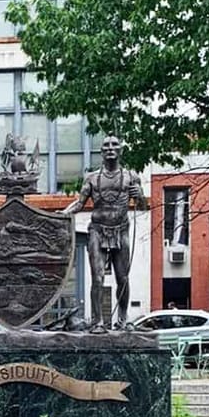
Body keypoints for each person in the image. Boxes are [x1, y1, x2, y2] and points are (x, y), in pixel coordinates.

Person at [63, 136, 148, 331]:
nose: (110, 148)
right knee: (97, 278)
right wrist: (63, 213)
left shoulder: (131, 177)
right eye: (106, 146)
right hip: (98, 229)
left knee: (123, 278)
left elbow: (143, 206)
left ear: (121, 150)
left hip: (121, 229)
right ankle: (98, 322)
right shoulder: (92, 178)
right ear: (101, 152)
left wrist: (140, 196)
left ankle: (123, 319)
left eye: (114, 145)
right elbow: (79, 203)